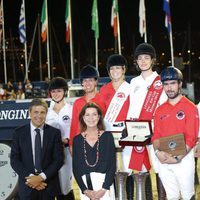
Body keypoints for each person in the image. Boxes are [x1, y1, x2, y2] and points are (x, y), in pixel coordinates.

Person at [125, 43, 167, 199]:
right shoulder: (134, 82)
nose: (143, 61)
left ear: (153, 60)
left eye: (146, 58)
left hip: (156, 131)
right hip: (138, 131)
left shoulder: (160, 81)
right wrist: (128, 126)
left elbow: (163, 109)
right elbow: (132, 107)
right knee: (142, 167)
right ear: (136, 61)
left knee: (159, 166)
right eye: (140, 58)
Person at [152, 66, 199, 200]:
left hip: (184, 159)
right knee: (171, 196)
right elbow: (156, 136)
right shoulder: (160, 110)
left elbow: (192, 137)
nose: (169, 88)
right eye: (166, 84)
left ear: (180, 84)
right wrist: (157, 153)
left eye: (173, 83)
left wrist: (178, 158)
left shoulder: (190, 107)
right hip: (164, 158)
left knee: (187, 195)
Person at [10, 98, 64, 200]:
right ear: (29, 113)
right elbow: (14, 160)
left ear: (46, 114)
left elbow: (58, 160)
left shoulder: (54, 133)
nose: (39, 116)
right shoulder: (18, 133)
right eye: (36, 112)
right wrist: (32, 179)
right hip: (27, 186)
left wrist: (41, 178)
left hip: (47, 185)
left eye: (42, 112)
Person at [99, 54, 131, 197]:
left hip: (126, 133)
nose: (115, 71)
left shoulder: (130, 89)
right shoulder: (104, 90)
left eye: (118, 68)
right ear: (109, 71)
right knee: (111, 169)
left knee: (128, 170)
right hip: (109, 132)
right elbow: (101, 113)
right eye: (112, 68)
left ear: (124, 69)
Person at [73, 102, 116, 200]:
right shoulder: (77, 140)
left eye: (94, 114)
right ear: (83, 118)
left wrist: (104, 189)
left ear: (99, 117)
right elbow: (75, 168)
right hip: (86, 189)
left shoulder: (107, 137)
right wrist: (85, 190)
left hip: (105, 187)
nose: (91, 118)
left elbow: (112, 165)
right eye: (87, 115)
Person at [46, 77, 75, 200]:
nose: (56, 94)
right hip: (50, 154)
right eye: (53, 91)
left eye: (59, 91)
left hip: (67, 152)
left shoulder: (71, 109)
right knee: (53, 186)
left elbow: (76, 131)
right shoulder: (47, 112)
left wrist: (67, 140)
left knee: (65, 187)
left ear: (65, 91)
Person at [69, 64, 106, 148]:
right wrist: (71, 144)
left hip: (99, 143)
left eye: (90, 80)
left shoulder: (103, 101)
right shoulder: (77, 103)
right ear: (82, 83)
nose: (87, 83)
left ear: (96, 81)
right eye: (85, 81)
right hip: (80, 144)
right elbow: (74, 125)